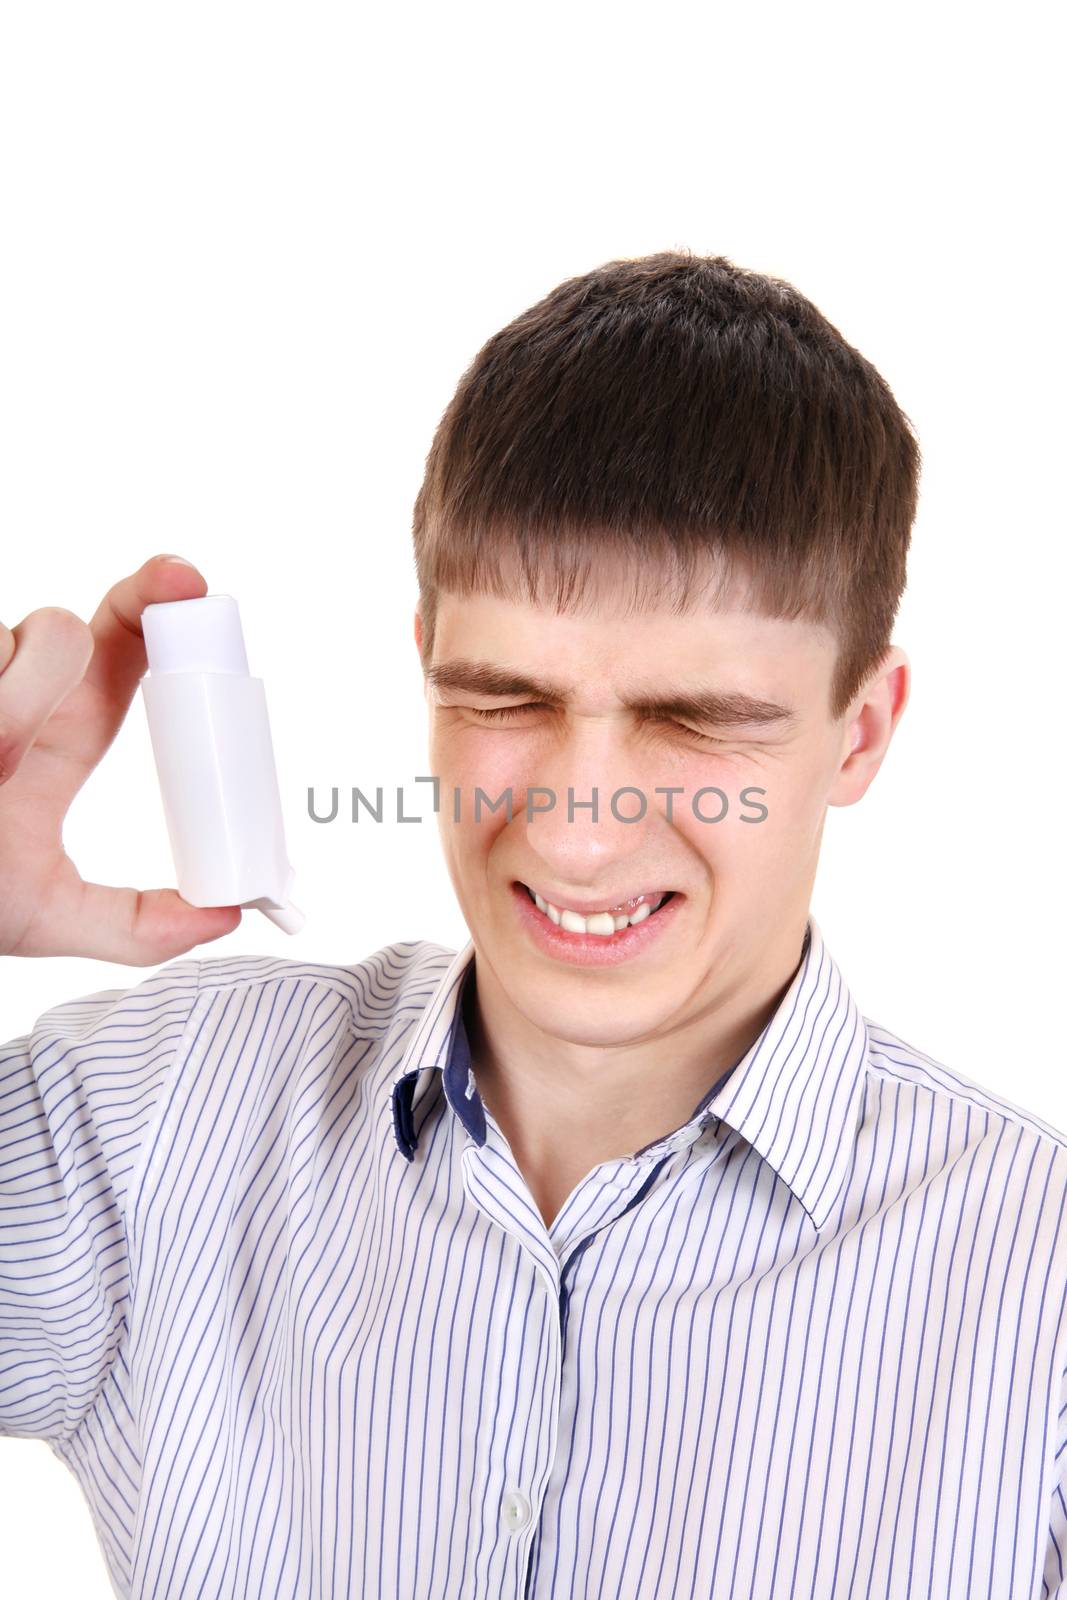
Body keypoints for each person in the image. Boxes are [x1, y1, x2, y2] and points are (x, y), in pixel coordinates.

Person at [2, 250, 1065, 1600]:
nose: (573, 826)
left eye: (698, 718)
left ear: (860, 730)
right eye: (503, 699)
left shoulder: (1043, 1286)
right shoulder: (138, 1123)